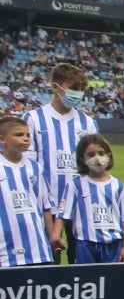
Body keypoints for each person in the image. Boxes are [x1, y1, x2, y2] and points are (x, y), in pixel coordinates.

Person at [24, 61, 98, 264]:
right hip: (46, 203)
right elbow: (28, 164)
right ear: (55, 87)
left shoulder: (88, 123)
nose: (78, 94)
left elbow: (93, 163)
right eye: (74, 89)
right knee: (50, 258)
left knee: (80, 258)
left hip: (79, 203)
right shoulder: (33, 119)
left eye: (81, 90)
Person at [54, 134, 124, 264]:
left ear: (108, 155)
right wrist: (56, 235)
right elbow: (63, 213)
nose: (97, 159)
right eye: (91, 155)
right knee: (88, 281)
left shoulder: (118, 186)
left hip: (113, 244)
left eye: (101, 153)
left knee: (112, 281)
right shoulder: (76, 184)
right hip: (86, 244)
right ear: (82, 159)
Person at [0, 114, 61, 267]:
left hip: (37, 248)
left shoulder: (34, 167)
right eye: (19, 134)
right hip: (5, 250)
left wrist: (53, 235)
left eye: (28, 134)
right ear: (2, 139)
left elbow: (45, 206)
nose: (26, 138)